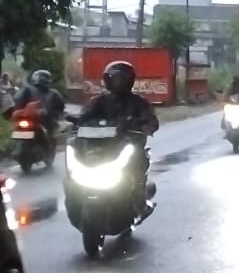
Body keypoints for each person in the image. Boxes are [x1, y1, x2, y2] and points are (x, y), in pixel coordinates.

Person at [76, 60, 159, 218]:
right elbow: (84, 117)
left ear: (129, 80)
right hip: (102, 146)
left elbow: (151, 120)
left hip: (129, 146)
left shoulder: (139, 102)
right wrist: (76, 123)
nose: (118, 82)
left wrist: (146, 126)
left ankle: (139, 201)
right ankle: (77, 195)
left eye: (122, 79)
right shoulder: (99, 101)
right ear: (108, 80)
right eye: (115, 78)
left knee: (137, 166)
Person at [13, 70, 66, 139]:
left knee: (53, 132)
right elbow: (61, 105)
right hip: (42, 120)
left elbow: (16, 99)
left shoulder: (27, 89)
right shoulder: (53, 93)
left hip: (29, 119)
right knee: (53, 134)